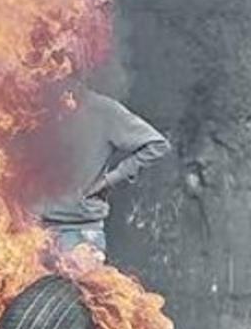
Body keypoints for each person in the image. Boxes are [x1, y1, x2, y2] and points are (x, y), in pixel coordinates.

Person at [37, 84, 171, 259]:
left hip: (79, 233)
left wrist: (111, 179)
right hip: (31, 232)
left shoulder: (104, 111)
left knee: (81, 286)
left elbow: (157, 144)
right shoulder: (30, 110)